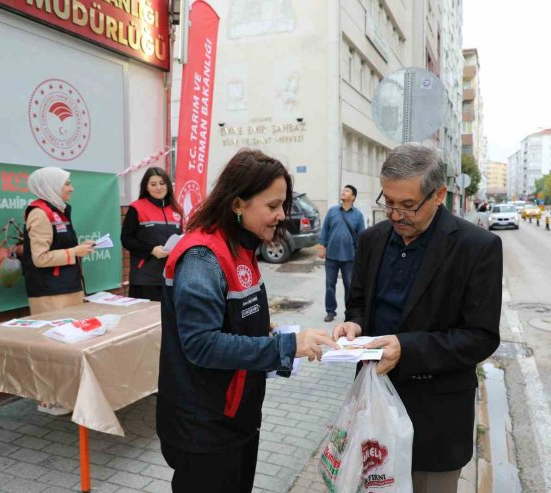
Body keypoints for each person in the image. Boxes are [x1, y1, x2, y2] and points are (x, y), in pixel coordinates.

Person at [157, 149, 338, 493]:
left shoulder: (241, 247)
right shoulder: (202, 257)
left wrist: (269, 331)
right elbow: (201, 343)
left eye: (283, 205)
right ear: (238, 204)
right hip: (204, 426)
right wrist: (286, 346)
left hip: (236, 418)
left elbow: (231, 318)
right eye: (272, 206)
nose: (281, 216)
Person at [333, 142, 502, 493]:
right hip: (373, 412)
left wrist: (406, 349)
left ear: (438, 194)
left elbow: (481, 336)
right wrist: (354, 325)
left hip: (436, 423)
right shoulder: (371, 240)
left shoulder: (477, 248)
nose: (395, 215)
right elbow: (359, 302)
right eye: (388, 202)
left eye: (408, 205)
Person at [22, 167, 95, 415]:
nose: (71, 188)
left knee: (67, 345)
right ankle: (48, 399)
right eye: (67, 184)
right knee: (50, 347)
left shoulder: (60, 211)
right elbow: (39, 258)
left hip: (68, 287)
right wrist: (75, 252)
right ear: (51, 185)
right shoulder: (40, 214)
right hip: (48, 292)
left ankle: (63, 394)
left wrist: (78, 249)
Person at [121, 167, 183, 301]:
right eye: (153, 184)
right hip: (144, 279)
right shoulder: (136, 208)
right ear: (146, 187)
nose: (158, 188)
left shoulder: (177, 210)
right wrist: (151, 250)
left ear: (168, 185)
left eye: (162, 183)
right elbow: (126, 239)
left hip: (171, 278)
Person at [318, 185, 365, 323]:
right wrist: (322, 247)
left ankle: (350, 313)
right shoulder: (332, 211)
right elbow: (325, 230)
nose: (343, 192)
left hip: (350, 257)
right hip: (331, 255)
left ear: (353, 197)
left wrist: (361, 255)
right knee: (329, 285)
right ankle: (330, 311)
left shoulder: (358, 215)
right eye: (343, 190)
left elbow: (362, 236)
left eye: (347, 191)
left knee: (350, 286)